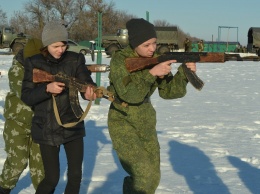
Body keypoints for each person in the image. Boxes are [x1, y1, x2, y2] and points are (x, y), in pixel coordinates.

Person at [107, 18, 196, 194]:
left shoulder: (155, 59)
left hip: (146, 121)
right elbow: (130, 95)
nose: (152, 49)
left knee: (153, 177)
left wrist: (184, 73)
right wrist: (151, 74)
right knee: (143, 175)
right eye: (146, 45)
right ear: (134, 43)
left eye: (154, 43)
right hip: (122, 121)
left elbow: (169, 92)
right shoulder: (120, 61)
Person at [21, 20, 96, 194]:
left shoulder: (75, 59)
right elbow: (26, 96)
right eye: (55, 46)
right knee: (52, 178)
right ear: (46, 44)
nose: (60, 50)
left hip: (72, 124)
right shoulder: (33, 62)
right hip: (46, 127)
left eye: (63, 45)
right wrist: (46, 89)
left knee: (76, 175)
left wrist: (88, 92)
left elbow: (86, 81)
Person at [0, 38, 44, 194]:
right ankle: (3, 188)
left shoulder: (45, 68)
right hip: (17, 123)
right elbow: (27, 94)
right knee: (17, 162)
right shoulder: (17, 69)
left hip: (40, 123)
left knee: (41, 168)